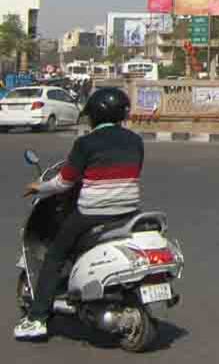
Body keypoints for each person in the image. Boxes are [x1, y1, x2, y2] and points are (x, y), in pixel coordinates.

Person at [14, 87, 144, 341]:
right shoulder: (135, 140)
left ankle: (37, 319)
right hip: (129, 211)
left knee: (54, 255)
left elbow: (64, 182)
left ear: (95, 114)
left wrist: (38, 187)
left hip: (93, 213)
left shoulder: (86, 143)